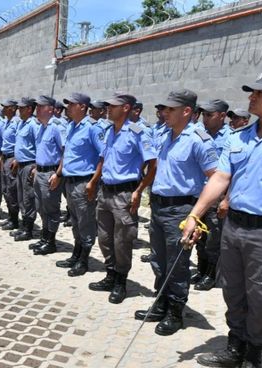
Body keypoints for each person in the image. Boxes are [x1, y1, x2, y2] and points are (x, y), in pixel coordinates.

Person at [181, 72, 262, 368]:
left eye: (259, 93)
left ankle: (254, 353)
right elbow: (220, 177)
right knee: (232, 289)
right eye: (251, 93)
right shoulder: (238, 135)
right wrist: (195, 214)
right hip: (233, 227)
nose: (251, 97)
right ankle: (235, 348)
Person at [134, 90, 218, 336]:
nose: (164, 113)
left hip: (181, 209)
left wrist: (197, 215)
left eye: (170, 109)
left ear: (186, 111)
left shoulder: (199, 140)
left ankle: (176, 311)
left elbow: (215, 178)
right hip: (159, 207)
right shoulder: (165, 136)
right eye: (164, 109)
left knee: (177, 264)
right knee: (158, 260)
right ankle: (160, 302)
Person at [88, 92, 157, 304]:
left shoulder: (138, 132)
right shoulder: (110, 130)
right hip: (105, 191)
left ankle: (121, 281)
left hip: (124, 194)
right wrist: (93, 181)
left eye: (113, 106)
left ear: (126, 108)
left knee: (122, 241)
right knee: (104, 238)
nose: (108, 108)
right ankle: (110, 273)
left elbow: (153, 164)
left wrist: (139, 190)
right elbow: (103, 157)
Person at [55, 92, 104, 276]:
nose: (67, 107)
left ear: (82, 107)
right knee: (75, 221)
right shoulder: (72, 127)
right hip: (70, 181)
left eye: (71, 104)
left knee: (86, 221)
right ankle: (76, 254)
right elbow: (67, 154)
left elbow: (103, 156)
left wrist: (93, 181)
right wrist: (59, 174)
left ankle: (84, 259)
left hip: (84, 182)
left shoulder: (92, 127)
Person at [191, 99, 231, 291]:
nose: (204, 118)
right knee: (199, 236)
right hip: (200, 193)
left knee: (214, 238)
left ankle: (212, 275)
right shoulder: (198, 133)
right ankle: (201, 269)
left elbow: (235, 172)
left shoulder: (231, 137)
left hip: (217, 196)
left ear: (222, 116)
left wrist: (227, 199)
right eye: (204, 114)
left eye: (209, 115)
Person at [28, 95, 64, 256]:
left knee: (51, 209)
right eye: (37, 107)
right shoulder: (42, 127)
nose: (37, 110)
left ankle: (51, 242)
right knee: (41, 207)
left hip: (51, 173)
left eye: (40, 107)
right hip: (40, 172)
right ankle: (44, 238)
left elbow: (65, 152)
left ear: (50, 109)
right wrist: (36, 168)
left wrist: (58, 174)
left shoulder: (57, 126)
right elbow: (42, 152)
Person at [9, 98, 40, 241]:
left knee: (28, 198)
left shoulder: (34, 124)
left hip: (29, 165)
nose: (18, 111)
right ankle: (23, 226)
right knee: (21, 197)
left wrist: (36, 166)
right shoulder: (21, 124)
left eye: (21, 108)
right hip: (20, 164)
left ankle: (29, 229)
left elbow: (39, 146)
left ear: (29, 109)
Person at [0, 99, 21, 231]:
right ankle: (11, 218)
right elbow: (5, 142)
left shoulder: (16, 122)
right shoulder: (7, 122)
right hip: (5, 157)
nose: (3, 109)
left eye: (6, 107)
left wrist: (16, 159)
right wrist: (1, 158)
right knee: (6, 189)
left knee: (12, 190)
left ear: (13, 108)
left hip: (12, 158)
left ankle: (15, 220)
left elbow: (19, 142)